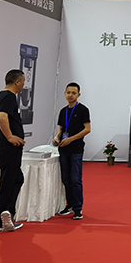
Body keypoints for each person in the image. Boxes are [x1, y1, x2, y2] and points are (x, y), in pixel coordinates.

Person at [0, 70, 26, 232]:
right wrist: (10, 136)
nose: (24, 85)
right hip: (9, 148)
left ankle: (7, 212)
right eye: (23, 82)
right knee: (8, 182)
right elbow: (0, 117)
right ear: (17, 82)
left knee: (17, 178)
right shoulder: (9, 97)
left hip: (1, 146)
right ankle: (1, 219)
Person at [54, 82, 91, 220]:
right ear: (65, 93)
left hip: (76, 149)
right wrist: (56, 138)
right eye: (68, 92)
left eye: (73, 93)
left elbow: (87, 129)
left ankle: (78, 208)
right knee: (66, 179)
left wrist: (71, 139)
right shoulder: (63, 111)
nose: (70, 95)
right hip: (63, 149)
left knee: (75, 179)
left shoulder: (83, 110)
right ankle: (69, 204)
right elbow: (61, 129)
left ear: (78, 95)